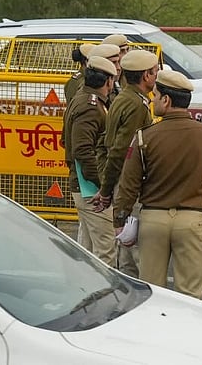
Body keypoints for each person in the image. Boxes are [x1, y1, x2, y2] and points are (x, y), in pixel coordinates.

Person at [115, 69, 202, 300]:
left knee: (151, 293)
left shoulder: (145, 137)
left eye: (155, 95)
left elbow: (129, 185)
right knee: (191, 294)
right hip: (192, 219)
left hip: (153, 220)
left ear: (166, 100)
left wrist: (120, 219)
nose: (152, 100)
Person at [95, 49, 159, 277]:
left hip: (122, 179)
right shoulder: (135, 105)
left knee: (126, 247)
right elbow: (121, 150)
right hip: (129, 180)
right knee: (136, 250)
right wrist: (106, 189)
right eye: (154, 72)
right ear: (145, 76)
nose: (156, 76)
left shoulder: (126, 99)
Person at [63, 56, 118, 266]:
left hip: (84, 186)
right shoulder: (90, 107)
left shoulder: (84, 99)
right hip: (89, 189)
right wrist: (102, 186)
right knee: (105, 252)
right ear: (109, 81)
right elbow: (83, 151)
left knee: (87, 251)